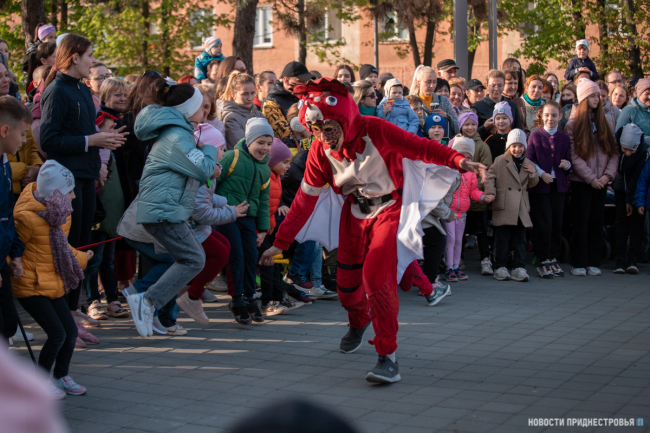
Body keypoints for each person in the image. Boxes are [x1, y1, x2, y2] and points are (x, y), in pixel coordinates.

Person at [259, 78, 485, 383]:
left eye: (328, 128)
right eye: (316, 129)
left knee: (377, 281)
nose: (323, 136)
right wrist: (281, 242)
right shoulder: (319, 152)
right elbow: (304, 200)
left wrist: (458, 160)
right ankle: (358, 320)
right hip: (353, 215)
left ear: (343, 118)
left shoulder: (376, 129)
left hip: (390, 209)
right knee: (346, 288)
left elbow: (420, 147)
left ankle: (387, 356)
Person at [40, 34, 127, 323]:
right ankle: (65, 317)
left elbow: (84, 133)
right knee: (69, 249)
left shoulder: (82, 89)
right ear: (75, 57)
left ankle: (73, 313)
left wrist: (104, 139)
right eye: (89, 55)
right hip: (68, 181)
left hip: (87, 177)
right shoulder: (56, 90)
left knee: (81, 248)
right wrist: (92, 140)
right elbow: (49, 140)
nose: (92, 61)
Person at [124, 84, 217, 338]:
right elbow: (203, 169)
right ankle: (146, 300)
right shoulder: (177, 136)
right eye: (201, 106)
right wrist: (210, 151)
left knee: (187, 259)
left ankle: (150, 306)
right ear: (188, 109)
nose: (205, 112)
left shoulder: (179, 132)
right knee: (194, 259)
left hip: (166, 208)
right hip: (164, 210)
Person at [13, 160, 90, 398]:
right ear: (54, 194)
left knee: (69, 332)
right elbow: (10, 247)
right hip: (30, 285)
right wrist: (13, 264)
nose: (74, 196)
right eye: (69, 191)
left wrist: (83, 257)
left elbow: (61, 249)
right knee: (57, 334)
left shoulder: (60, 215)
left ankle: (61, 375)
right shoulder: (25, 218)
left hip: (51, 283)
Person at [174, 123, 246, 323]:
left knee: (225, 246)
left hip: (195, 226)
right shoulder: (201, 172)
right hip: (188, 227)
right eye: (221, 148)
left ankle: (192, 289)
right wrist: (230, 212)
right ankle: (193, 296)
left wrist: (223, 202)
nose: (224, 152)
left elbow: (205, 197)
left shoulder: (209, 170)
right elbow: (200, 213)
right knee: (220, 252)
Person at [215, 118, 272, 324]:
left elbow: (263, 201)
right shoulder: (232, 157)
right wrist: (215, 209)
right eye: (260, 142)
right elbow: (212, 183)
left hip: (249, 220)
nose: (265, 148)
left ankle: (250, 297)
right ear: (249, 141)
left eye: (269, 144)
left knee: (251, 257)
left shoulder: (265, 169)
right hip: (227, 216)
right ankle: (237, 299)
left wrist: (263, 229)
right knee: (236, 257)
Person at [566, 78, 618, 276]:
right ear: (584, 98)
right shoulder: (573, 124)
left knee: (597, 221)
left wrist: (607, 176)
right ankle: (579, 262)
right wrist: (591, 178)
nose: (598, 99)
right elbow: (573, 155)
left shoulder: (606, 123)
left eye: (599, 95)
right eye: (593, 96)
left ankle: (594, 261)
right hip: (582, 182)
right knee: (581, 221)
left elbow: (614, 152)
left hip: (602, 182)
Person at [483, 129, 539, 282]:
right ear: (508, 146)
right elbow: (490, 177)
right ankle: (500, 266)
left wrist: (533, 172)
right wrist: (490, 192)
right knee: (502, 238)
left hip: (520, 206)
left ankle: (519, 266)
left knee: (520, 239)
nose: (517, 149)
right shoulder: (500, 160)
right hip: (505, 203)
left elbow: (533, 183)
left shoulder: (528, 163)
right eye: (514, 146)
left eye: (520, 146)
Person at [527, 102, 572, 278]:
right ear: (542, 116)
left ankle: (553, 257)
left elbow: (568, 160)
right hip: (541, 186)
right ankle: (543, 257)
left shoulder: (564, 138)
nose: (550, 118)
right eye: (547, 115)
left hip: (558, 186)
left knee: (556, 222)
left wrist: (567, 164)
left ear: (560, 116)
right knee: (543, 222)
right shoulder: (535, 136)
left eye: (554, 115)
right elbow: (530, 159)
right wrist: (541, 173)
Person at [451, 111, 494, 275]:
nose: (470, 127)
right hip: (457, 200)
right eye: (466, 124)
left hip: (476, 195)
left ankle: (485, 259)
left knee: (480, 229)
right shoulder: (455, 143)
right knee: (459, 233)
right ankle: (457, 259)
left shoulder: (482, 146)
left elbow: (486, 169)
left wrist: (475, 186)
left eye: (473, 124)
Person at [0, 96, 28, 342]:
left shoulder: (5, 165)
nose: (24, 141)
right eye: (22, 134)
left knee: (8, 323)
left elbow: (7, 213)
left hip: (2, 255)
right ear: (4, 131)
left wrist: (15, 252)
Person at [442, 136, 487, 282]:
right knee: (450, 239)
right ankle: (449, 267)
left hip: (462, 213)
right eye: (462, 156)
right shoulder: (448, 171)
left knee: (458, 240)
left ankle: (456, 266)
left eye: (469, 157)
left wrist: (483, 196)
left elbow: (472, 192)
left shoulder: (471, 173)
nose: (465, 160)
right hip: (449, 212)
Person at [259, 138, 294, 316]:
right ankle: (267, 302)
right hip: (259, 229)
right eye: (285, 162)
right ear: (272, 160)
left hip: (267, 228)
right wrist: (263, 228)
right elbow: (262, 204)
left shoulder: (276, 177)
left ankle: (277, 298)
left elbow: (272, 204)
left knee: (273, 262)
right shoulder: (266, 176)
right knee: (268, 262)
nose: (288, 166)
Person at [121, 72, 167, 201]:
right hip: (142, 181)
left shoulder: (164, 114)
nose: (159, 97)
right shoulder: (131, 118)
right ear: (142, 92)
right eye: (154, 92)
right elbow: (146, 150)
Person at [612, 123, 647, 274]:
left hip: (637, 191)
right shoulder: (617, 146)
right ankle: (619, 258)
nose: (627, 153)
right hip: (620, 189)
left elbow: (637, 177)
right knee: (621, 222)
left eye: (631, 150)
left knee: (636, 225)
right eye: (624, 149)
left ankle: (633, 258)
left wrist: (630, 200)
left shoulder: (643, 151)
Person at [262, 61, 314, 155]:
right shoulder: (270, 103)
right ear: (286, 80)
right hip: (288, 154)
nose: (304, 84)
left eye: (305, 81)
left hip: (310, 150)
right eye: (300, 81)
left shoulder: (304, 97)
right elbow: (284, 135)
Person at [218, 72, 264, 150]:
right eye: (244, 94)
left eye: (252, 93)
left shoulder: (258, 114)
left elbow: (272, 139)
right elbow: (244, 146)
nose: (250, 98)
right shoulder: (231, 118)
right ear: (233, 95)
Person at [472, 70, 524, 140]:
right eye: (493, 86)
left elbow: (518, 130)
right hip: (486, 145)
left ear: (504, 86)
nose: (496, 89)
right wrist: (484, 127)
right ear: (487, 85)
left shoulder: (512, 105)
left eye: (500, 85)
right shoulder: (477, 107)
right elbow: (471, 134)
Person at [411, 65, 458, 135]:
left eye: (434, 82)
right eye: (428, 82)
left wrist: (446, 116)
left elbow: (457, 128)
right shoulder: (411, 102)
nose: (432, 86)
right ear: (419, 83)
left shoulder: (443, 100)